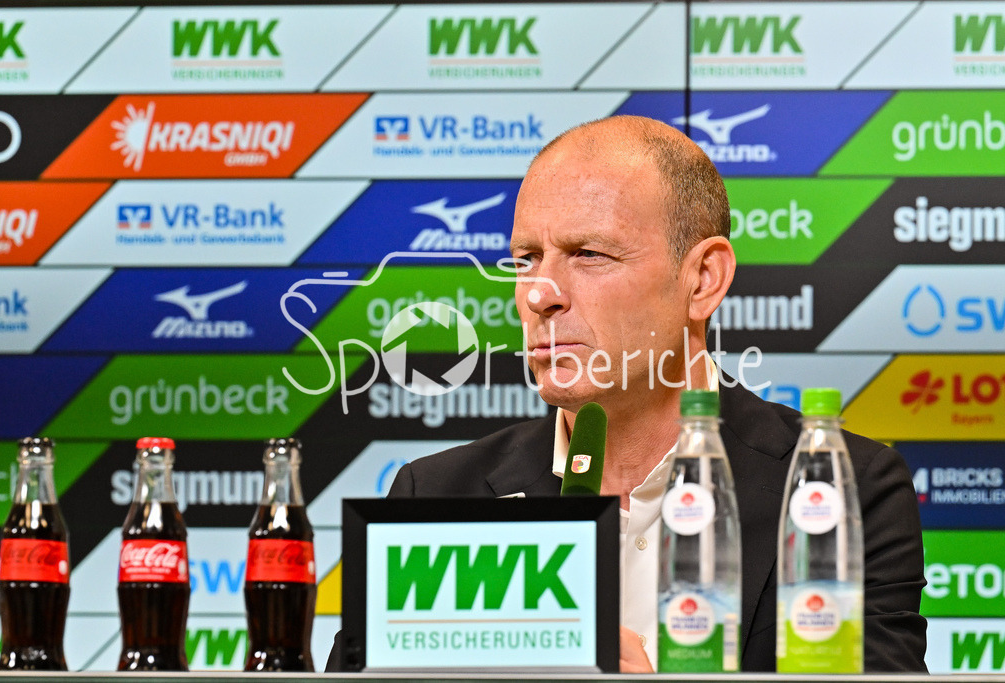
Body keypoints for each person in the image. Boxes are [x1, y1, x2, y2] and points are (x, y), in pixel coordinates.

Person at [368, 116, 927, 672]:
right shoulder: (435, 497)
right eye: (526, 259)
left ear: (704, 279)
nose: (540, 294)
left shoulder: (840, 487)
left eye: (588, 254)